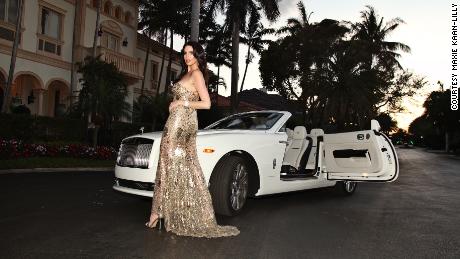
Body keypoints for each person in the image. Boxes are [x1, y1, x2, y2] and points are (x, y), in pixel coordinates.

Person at [145, 41, 239, 238]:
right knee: (180, 165)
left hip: (181, 123)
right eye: (185, 52)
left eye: (191, 53)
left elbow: (206, 104)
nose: (187, 56)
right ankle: (166, 210)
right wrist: (176, 103)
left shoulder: (196, 74)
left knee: (168, 163)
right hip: (179, 120)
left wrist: (181, 101)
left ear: (198, 56)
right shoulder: (186, 74)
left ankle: (159, 211)